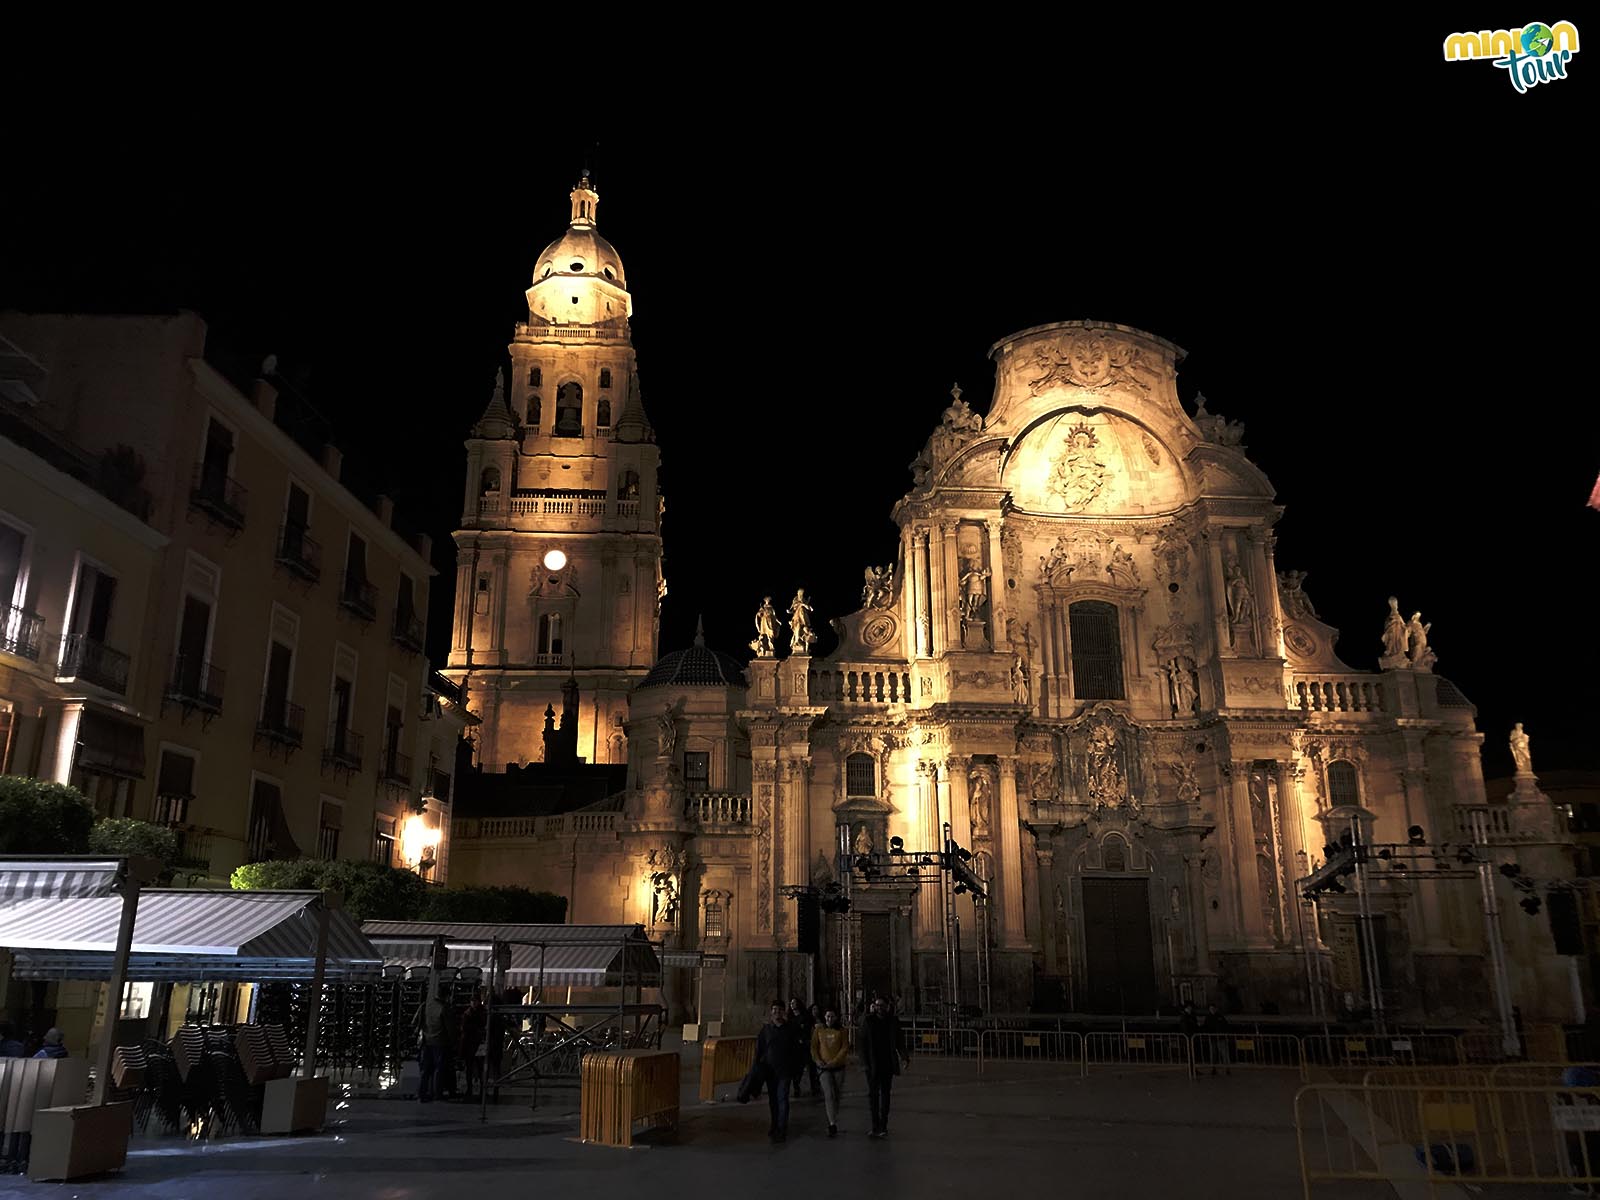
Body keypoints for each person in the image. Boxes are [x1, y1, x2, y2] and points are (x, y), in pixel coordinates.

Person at [754, 1001, 803, 1142]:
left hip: (785, 1071)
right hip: (770, 1071)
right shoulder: (766, 1030)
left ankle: (782, 1128)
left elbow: (796, 1050)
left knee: (782, 1099)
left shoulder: (790, 1029)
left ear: (783, 1012)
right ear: (771, 1012)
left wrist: (796, 1069)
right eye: (774, 1009)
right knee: (773, 1100)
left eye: (779, 1010)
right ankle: (774, 1124)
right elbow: (759, 1050)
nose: (776, 1012)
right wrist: (756, 1067)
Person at [860, 997, 905, 1138]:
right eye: (877, 1005)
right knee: (873, 1096)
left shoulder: (892, 1021)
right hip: (872, 1064)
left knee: (885, 1094)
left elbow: (899, 1040)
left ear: (887, 1007)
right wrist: (864, 1063)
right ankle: (875, 1125)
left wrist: (905, 1057)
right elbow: (862, 1043)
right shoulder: (868, 1021)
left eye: (882, 1005)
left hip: (887, 1063)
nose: (879, 1008)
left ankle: (883, 1125)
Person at [811, 1008, 850, 1138]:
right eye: (827, 1016)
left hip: (838, 1067)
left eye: (832, 1016)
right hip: (823, 1068)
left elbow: (844, 1047)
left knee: (836, 1094)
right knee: (829, 1093)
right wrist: (817, 1060)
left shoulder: (842, 1031)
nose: (829, 1019)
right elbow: (814, 1047)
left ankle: (833, 1114)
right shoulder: (819, 1030)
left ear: (836, 1017)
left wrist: (835, 1061)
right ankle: (832, 1123)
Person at [414, 984, 456, 1103]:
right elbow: (450, 1028)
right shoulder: (444, 1008)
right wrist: (454, 1041)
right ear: (447, 995)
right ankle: (437, 1093)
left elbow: (415, 1022)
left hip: (426, 1041)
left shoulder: (425, 1005)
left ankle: (421, 1094)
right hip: (441, 1042)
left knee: (425, 1070)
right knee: (439, 1069)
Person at [459, 988, 487, 1102]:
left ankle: (479, 1089)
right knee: (471, 1068)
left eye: (475, 1001)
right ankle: (472, 1088)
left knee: (479, 1068)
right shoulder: (471, 1013)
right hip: (472, 1044)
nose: (474, 1003)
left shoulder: (476, 1013)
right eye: (472, 1001)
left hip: (476, 1043)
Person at [788, 998, 818, 1098]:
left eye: (794, 1003)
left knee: (811, 1067)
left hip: (806, 1045)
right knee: (797, 1069)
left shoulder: (805, 1017)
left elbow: (808, 1029)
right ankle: (796, 1087)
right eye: (791, 1003)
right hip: (796, 1047)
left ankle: (814, 1088)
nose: (792, 1004)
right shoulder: (791, 1018)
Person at [1202, 1004, 1232, 1076]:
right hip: (1213, 1038)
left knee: (1224, 1054)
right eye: (1211, 1009)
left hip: (1221, 1038)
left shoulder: (1220, 1017)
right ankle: (1213, 1068)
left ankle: (1227, 1068)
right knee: (1213, 1054)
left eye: (1213, 1008)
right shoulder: (1208, 1017)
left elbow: (1225, 1026)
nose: (1212, 1010)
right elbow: (1206, 1027)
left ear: (1216, 1009)